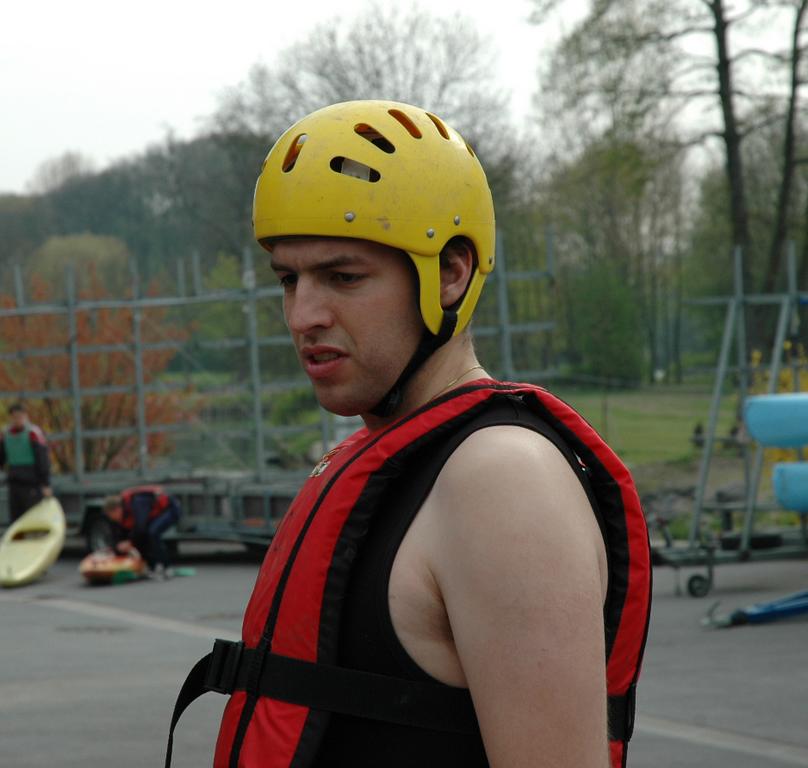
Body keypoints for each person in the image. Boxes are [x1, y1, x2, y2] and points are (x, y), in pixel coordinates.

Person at [166, 101, 651, 768]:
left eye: (343, 277)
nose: (303, 314)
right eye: (288, 279)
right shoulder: (392, 461)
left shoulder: (503, 478)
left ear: (450, 274)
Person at [104, 485, 181, 578]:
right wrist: (115, 548)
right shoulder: (121, 515)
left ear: (117, 510)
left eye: (111, 515)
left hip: (170, 509)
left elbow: (141, 528)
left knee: (152, 532)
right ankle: (150, 566)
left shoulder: (138, 503)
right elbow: (120, 536)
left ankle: (166, 567)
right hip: (153, 514)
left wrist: (130, 542)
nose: (112, 519)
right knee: (141, 536)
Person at [0, 402, 52, 523]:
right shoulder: (6, 434)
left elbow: (42, 459)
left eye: (20, 417)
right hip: (14, 483)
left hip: (31, 483)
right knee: (17, 520)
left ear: (26, 416)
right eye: (14, 417)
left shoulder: (33, 433)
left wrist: (45, 483)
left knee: (33, 517)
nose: (18, 420)